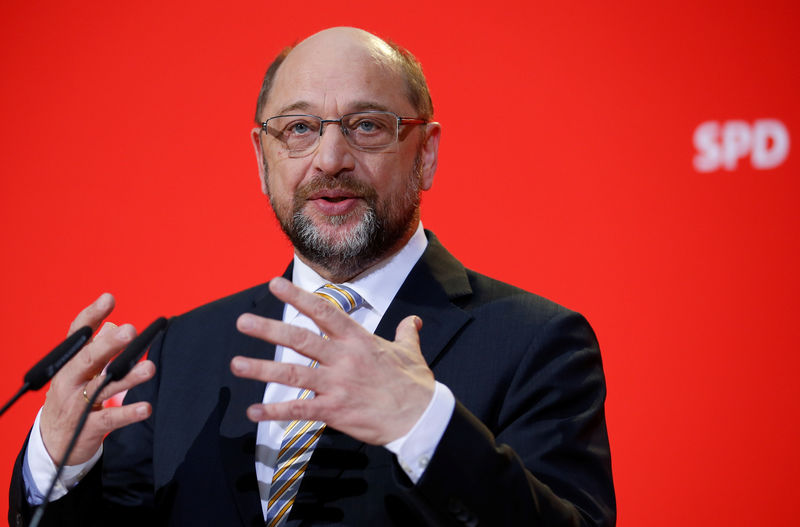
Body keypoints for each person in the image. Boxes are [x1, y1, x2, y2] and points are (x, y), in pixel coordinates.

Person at [9, 27, 615, 526]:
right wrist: (56, 464)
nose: (330, 160)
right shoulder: (180, 354)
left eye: (367, 126)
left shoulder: (537, 343)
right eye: (299, 129)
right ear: (260, 159)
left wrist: (425, 424)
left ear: (425, 153)